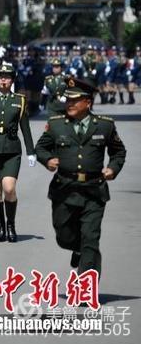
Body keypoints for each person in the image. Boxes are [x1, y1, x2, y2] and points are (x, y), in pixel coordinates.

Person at [35, 77, 126, 276]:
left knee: (90, 239)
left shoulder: (104, 126)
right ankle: (79, 249)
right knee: (64, 236)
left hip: (94, 190)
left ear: (88, 102)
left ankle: (87, 284)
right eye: (67, 100)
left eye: (74, 100)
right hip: (64, 188)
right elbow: (40, 148)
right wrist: (48, 160)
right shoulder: (57, 125)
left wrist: (113, 168)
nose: (69, 104)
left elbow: (118, 152)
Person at [0, 63, 36, 243]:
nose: (3, 79)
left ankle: (11, 225)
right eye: (0, 76)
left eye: (7, 76)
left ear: (12, 79)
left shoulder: (20, 100)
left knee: (9, 189)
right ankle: (0, 228)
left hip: (11, 149)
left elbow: (25, 127)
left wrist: (31, 151)